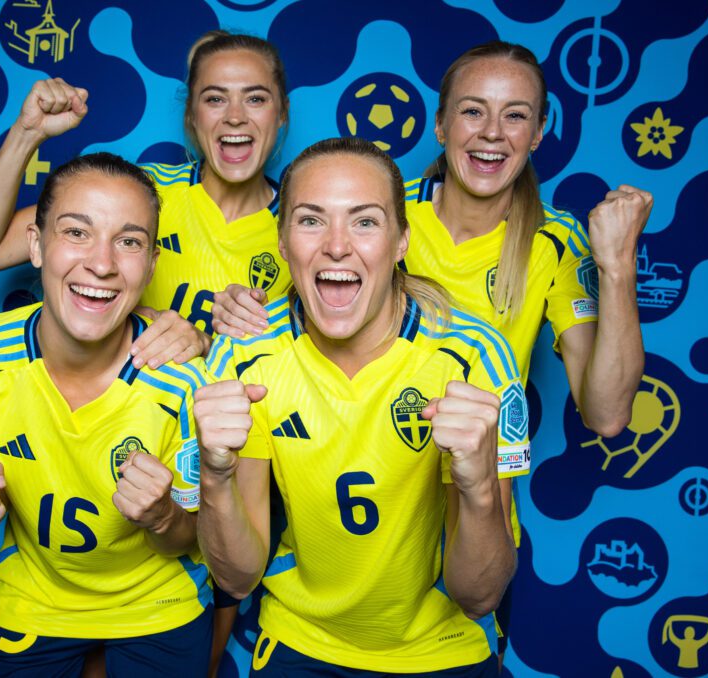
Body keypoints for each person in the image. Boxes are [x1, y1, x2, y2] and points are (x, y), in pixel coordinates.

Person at [212, 41, 652, 664]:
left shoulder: (551, 246)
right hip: (325, 497)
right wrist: (235, 312)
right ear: (441, 125)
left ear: (540, 130)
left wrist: (617, 268)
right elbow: (302, 290)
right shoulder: (376, 209)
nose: (492, 133)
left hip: (459, 511)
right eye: (473, 112)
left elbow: (607, 413)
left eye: (516, 115)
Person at [195, 137, 525, 675]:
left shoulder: (474, 355)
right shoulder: (246, 353)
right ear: (281, 242)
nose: (337, 246)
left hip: (443, 649)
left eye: (365, 222)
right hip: (301, 643)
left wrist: (481, 488)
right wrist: (213, 474)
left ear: (401, 241)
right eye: (310, 221)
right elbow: (236, 579)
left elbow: (480, 596)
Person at [0, 153, 212, 676]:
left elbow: (188, 536)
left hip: (158, 605)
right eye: (77, 232)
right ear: (36, 244)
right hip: (32, 598)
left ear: (150, 264)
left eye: (129, 241)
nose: (102, 263)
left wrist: (162, 515)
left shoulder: (185, 382)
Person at [0, 30, 291, 366]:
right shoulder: (142, 192)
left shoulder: (307, 227)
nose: (234, 116)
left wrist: (205, 343)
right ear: (191, 114)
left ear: (282, 114)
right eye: (215, 98)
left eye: (256, 98)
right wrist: (26, 134)